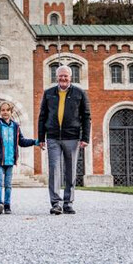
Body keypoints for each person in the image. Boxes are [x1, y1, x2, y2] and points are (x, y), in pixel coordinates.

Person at [37, 64, 90, 215]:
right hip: (53, 137)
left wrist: (85, 137)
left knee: (70, 170)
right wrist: (41, 138)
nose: (63, 78)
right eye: (60, 75)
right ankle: (55, 203)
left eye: (66, 76)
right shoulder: (49, 93)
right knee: (54, 169)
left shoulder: (79, 93)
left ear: (70, 77)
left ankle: (68, 202)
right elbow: (42, 116)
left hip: (72, 137)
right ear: (56, 77)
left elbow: (86, 116)